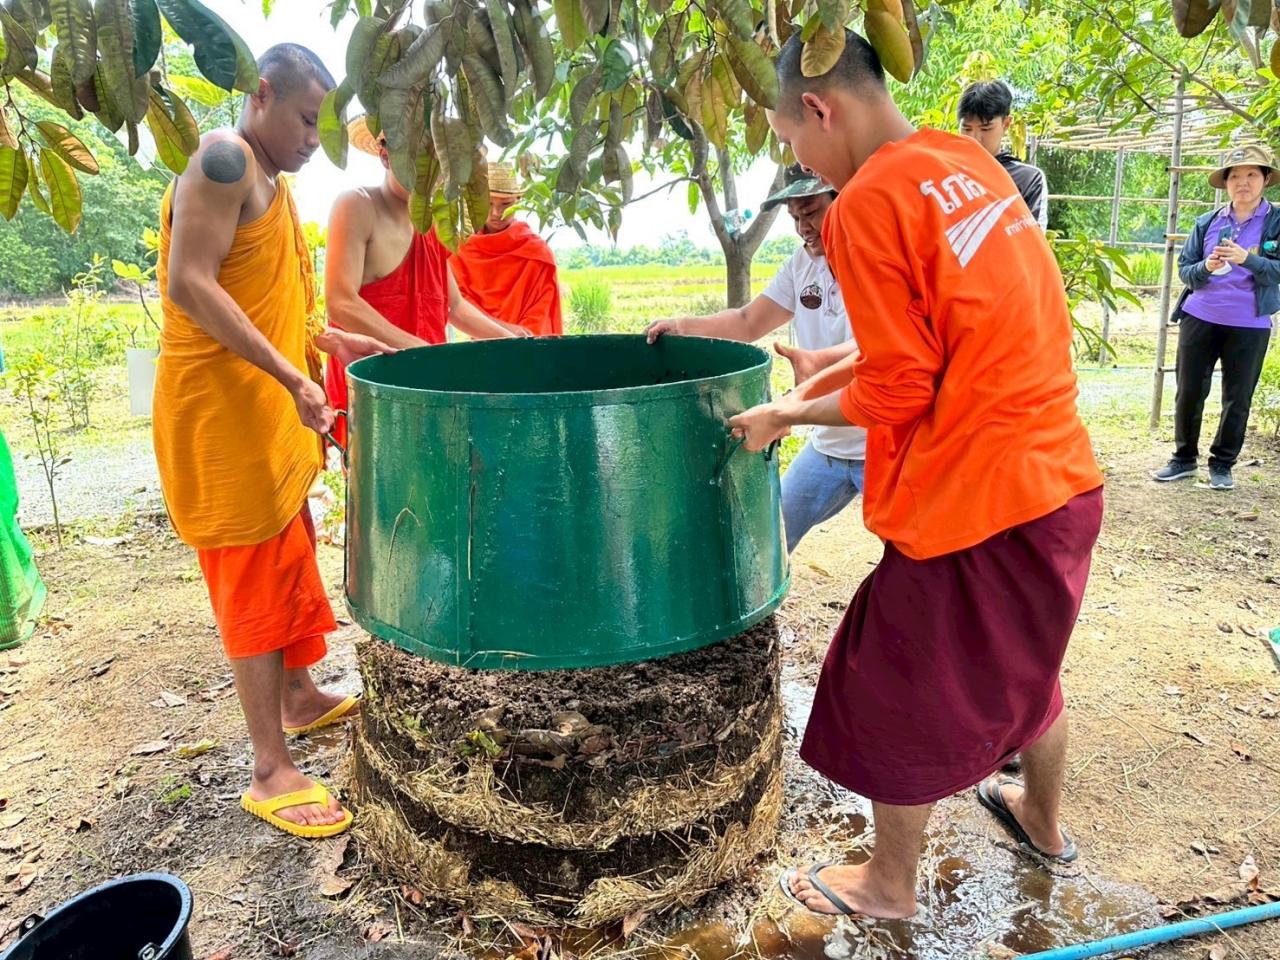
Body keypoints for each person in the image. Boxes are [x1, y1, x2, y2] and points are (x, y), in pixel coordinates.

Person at [729, 30, 1104, 919]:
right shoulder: (963, 162)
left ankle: (888, 884)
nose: (801, 160)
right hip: (1060, 478)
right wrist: (833, 372)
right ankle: (1041, 822)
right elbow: (944, 332)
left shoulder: (865, 203)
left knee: (889, 675)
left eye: (791, 139)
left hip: (978, 497)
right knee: (1026, 668)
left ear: (818, 109)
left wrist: (784, 414)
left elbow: (903, 387)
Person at [156, 44, 392, 839]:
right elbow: (191, 282)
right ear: (260, 95)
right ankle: (268, 769)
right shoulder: (225, 161)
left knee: (290, 541)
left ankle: (297, 695)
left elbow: (265, 294)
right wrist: (292, 380)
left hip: (266, 408)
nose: (309, 141)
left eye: (322, 128)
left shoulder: (273, 181)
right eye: (302, 119)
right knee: (254, 572)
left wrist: (324, 345)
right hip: (223, 414)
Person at [645, 164, 864, 552]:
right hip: (827, 444)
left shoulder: (876, 259)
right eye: (794, 217)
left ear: (844, 199)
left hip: (882, 444)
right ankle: (764, 612)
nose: (802, 227)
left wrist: (820, 364)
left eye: (811, 211)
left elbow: (885, 344)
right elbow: (748, 321)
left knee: (914, 559)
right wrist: (684, 325)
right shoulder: (802, 266)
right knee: (769, 538)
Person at [324, 118, 527, 446]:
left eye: (435, 158)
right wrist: (421, 353)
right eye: (414, 156)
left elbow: (455, 306)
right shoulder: (358, 205)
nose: (426, 170)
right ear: (385, 155)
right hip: (376, 393)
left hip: (430, 391)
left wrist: (512, 343)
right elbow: (340, 301)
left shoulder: (430, 223)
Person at [1152, 144, 1280, 491]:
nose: (1243, 182)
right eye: (1235, 176)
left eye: (1252, 174)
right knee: (1189, 390)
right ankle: (1183, 459)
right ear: (1225, 183)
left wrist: (1247, 259)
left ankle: (1222, 464)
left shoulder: (1276, 221)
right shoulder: (1208, 222)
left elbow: (1277, 272)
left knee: (1238, 397)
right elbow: (1185, 271)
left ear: (1265, 179)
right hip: (1200, 316)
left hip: (1250, 322)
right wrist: (1205, 268)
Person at [450, 162, 564, 336]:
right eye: (488, 204)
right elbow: (459, 305)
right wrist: (507, 332)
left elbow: (538, 316)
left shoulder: (537, 253)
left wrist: (517, 336)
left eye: (505, 204)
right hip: (479, 347)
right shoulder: (462, 251)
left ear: (518, 201)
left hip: (527, 347)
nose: (496, 212)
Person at [958, 79, 1049, 230]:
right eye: (967, 129)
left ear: (1006, 124)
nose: (974, 138)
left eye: (985, 129)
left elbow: (1033, 242)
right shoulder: (947, 173)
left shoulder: (1028, 179)